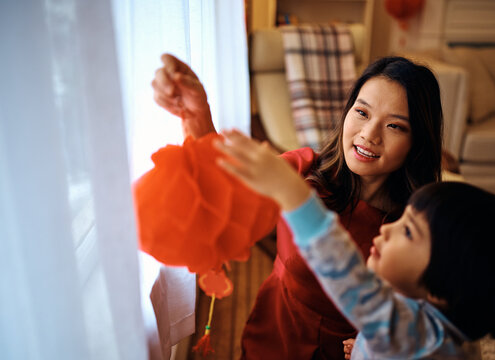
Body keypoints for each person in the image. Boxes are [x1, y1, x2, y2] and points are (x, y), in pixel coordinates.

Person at [152, 54, 443, 358]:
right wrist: (199, 117)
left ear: (417, 143)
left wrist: (380, 345)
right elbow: (228, 188)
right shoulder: (302, 170)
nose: (369, 135)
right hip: (274, 336)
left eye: (395, 126)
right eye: (362, 112)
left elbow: (422, 311)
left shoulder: (415, 228)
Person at [213, 129, 495, 359]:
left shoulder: (408, 336)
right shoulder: (451, 328)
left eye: (409, 232)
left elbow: (345, 273)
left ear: (443, 288)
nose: (387, 229)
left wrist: (293, 194)